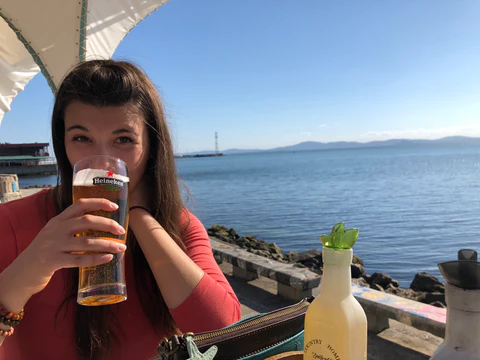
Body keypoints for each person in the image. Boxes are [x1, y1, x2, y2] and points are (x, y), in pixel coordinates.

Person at [0, 60, 241, 360]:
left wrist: (139, 216)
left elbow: (226, 332)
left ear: (151, 147)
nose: (102, 162)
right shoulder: (12, 221)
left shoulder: (178, 227)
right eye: (82, 138)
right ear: (62, 144)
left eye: (123, 139)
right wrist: (32, 265)